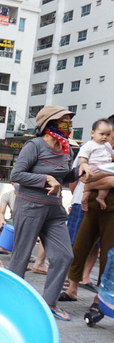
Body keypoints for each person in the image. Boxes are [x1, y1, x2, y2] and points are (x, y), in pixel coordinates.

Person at [8, 106, 92, 321]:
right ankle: (11, 302)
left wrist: (77, 173)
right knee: (21, 256)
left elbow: (63, 177)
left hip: (54, 210)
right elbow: (16, 175)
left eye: (69, 121)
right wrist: (45, 179)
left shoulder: (66, 149)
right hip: (30, 207)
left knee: (64, 255)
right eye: (64, 121)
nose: (68, 126)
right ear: (49, 124)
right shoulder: (34, 145)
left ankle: (50, 303)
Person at [61, 121, 114, 307]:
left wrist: (94, 183)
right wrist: (92, 185)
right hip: (88, 206)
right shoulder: (93, 147)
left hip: (111, 211)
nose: (107, 137)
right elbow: (83, 177)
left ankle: (100, 299)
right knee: (79, 247)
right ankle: (71, 288)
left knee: (107, 255)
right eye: (106, 133)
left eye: (109, 134)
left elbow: (95, 180)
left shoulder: (108, 152)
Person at [79, 119, 114, 210]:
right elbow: (83, 158)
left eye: (108, 135)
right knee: (109, 181)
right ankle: (85, 197)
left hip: (106, 167)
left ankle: (100, 197)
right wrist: (83, 164)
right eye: (102, 134)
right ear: (92, 133)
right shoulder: (89, 145)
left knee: (106, 184)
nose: (105, 137)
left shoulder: (107, 145)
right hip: (94, 167)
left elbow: (111, 155)